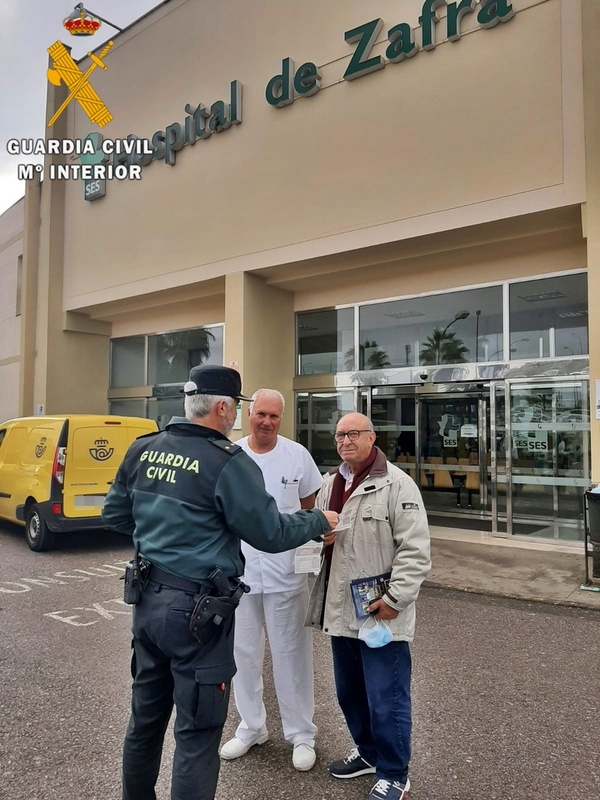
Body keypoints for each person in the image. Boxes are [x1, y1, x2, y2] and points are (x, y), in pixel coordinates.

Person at [101, 365, 339, 800]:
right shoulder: (226, 461)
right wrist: (319, 519)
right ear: (224, 407)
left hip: (148, 604)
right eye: (240, 409)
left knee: (145, 722)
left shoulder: (143, 449)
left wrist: (164, 539)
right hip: (197, 614)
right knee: (196, 733)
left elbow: (115, 515)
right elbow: (269, 533)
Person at [306, 412, 430, 800]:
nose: (345, 440)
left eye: (353, 433)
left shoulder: (398, 485)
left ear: (372, 437)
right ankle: (369, 754)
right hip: (340, 611)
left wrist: (394, 601)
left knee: (386, 696)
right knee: (350, 693)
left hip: (379, 614)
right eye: (340, 434)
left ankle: (395, 772)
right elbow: (313, 535)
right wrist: (317, 540)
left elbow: (416, 552)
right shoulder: (329, 483)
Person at [219, 389, 323, 771]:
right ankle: (251, 727)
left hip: (284, 574)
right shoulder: (229, 455)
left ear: (282, 418)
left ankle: (301, 734)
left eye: (274, 416)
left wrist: (312, 555)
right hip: (239, 573)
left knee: (291, 654)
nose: (266, 421)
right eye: (260, 414)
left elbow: (310, 510)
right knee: (242, 653)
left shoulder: (297, 455)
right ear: (248, 413)